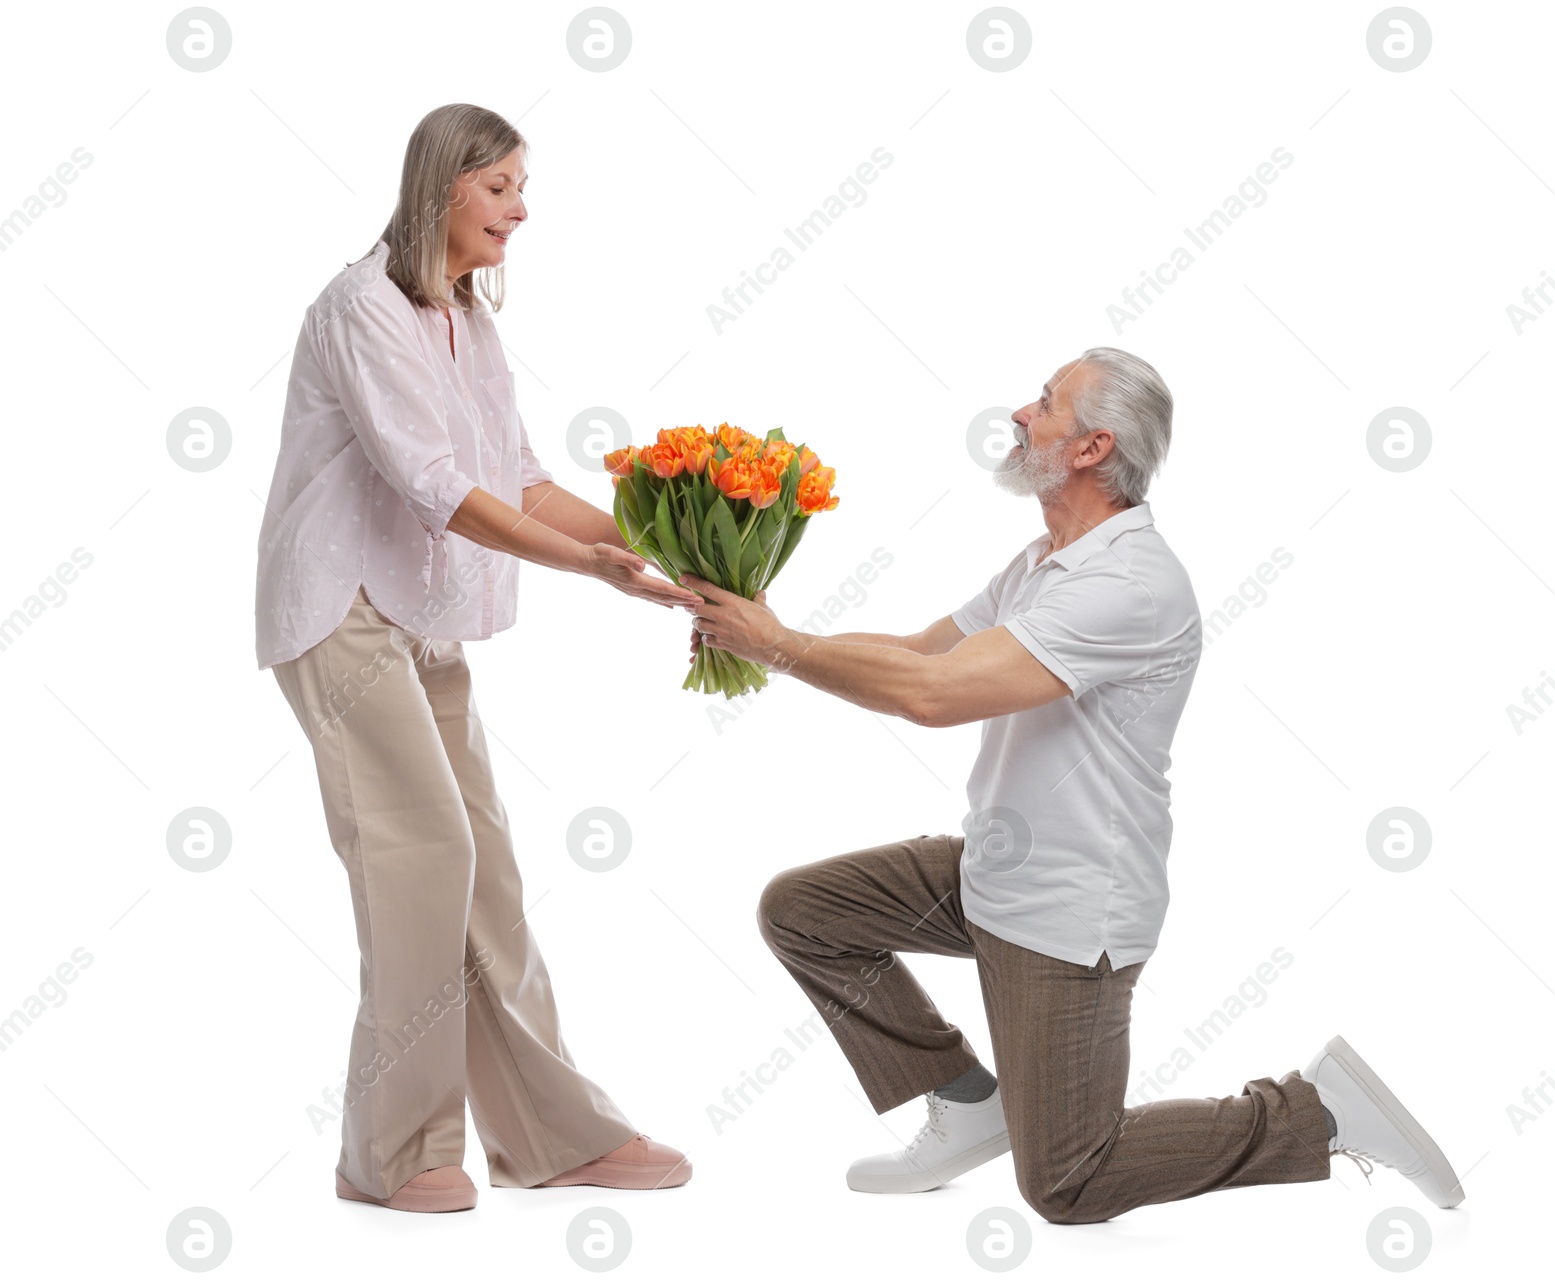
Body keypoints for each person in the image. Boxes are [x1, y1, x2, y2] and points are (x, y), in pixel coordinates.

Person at [683, 347, 1466, 1222]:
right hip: (996, 870)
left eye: (1047, 403)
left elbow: (930, 697)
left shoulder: (1128, 583)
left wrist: (778, 647)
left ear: (1094, 448)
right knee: (806, 911)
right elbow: (919, 653)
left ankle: (1315, 1114)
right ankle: (967, 1101)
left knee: (1069, 1181)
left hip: (1069, 910)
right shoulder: (1043, 562)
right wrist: (768, 632)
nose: (1022, 412)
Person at [255, 103, 702, 1213]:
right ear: (443, 187)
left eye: (519, 185)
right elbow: (435, 486)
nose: (520, 207)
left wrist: (663, 543)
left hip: (420, 612)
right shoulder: (362, 307)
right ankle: (392, 1150)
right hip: (341, 606)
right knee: (422, 847)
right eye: (500, 186)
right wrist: (580, 569)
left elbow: (520, 480)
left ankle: (554, 1133)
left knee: (483, 867)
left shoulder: (467, 321)